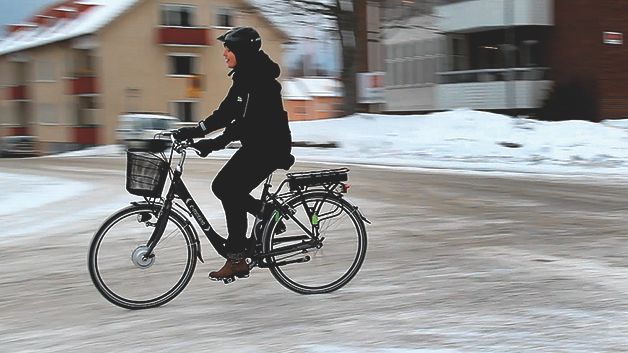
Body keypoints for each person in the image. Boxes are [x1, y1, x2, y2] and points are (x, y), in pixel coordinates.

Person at [173, 27, 293, 280]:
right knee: (224, 187)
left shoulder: (259, 81)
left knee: (228, 188)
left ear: (242, 51)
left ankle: (237, 257)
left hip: (269, 147)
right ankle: (266, 215)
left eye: (228, 49)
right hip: (258, 146)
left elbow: (245, 123)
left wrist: (213, 143)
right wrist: (196, 131)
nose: (224, 54)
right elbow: (227, 112)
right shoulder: (246, 77)